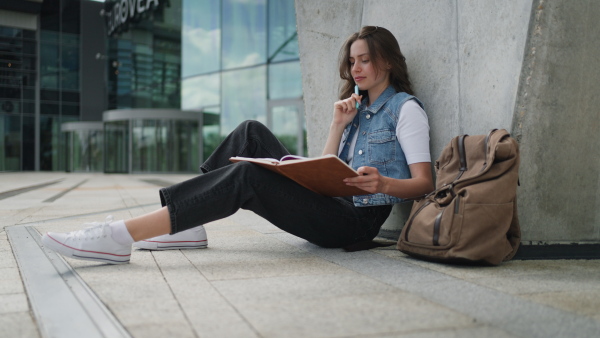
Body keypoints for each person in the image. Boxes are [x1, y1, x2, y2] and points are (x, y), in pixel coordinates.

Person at [41, 26, 434, 264]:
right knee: (250, 130)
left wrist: (382, 184)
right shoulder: (355, 108)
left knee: (247, 175)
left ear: (386, 61)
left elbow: (425, 183)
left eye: (364, 60)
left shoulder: (405, 110)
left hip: (352, 225)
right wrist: (337, 123)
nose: (356, 69)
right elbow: (327, 170)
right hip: (329, 202)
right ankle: (186, 226)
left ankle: (120, 237)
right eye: (352, 62)